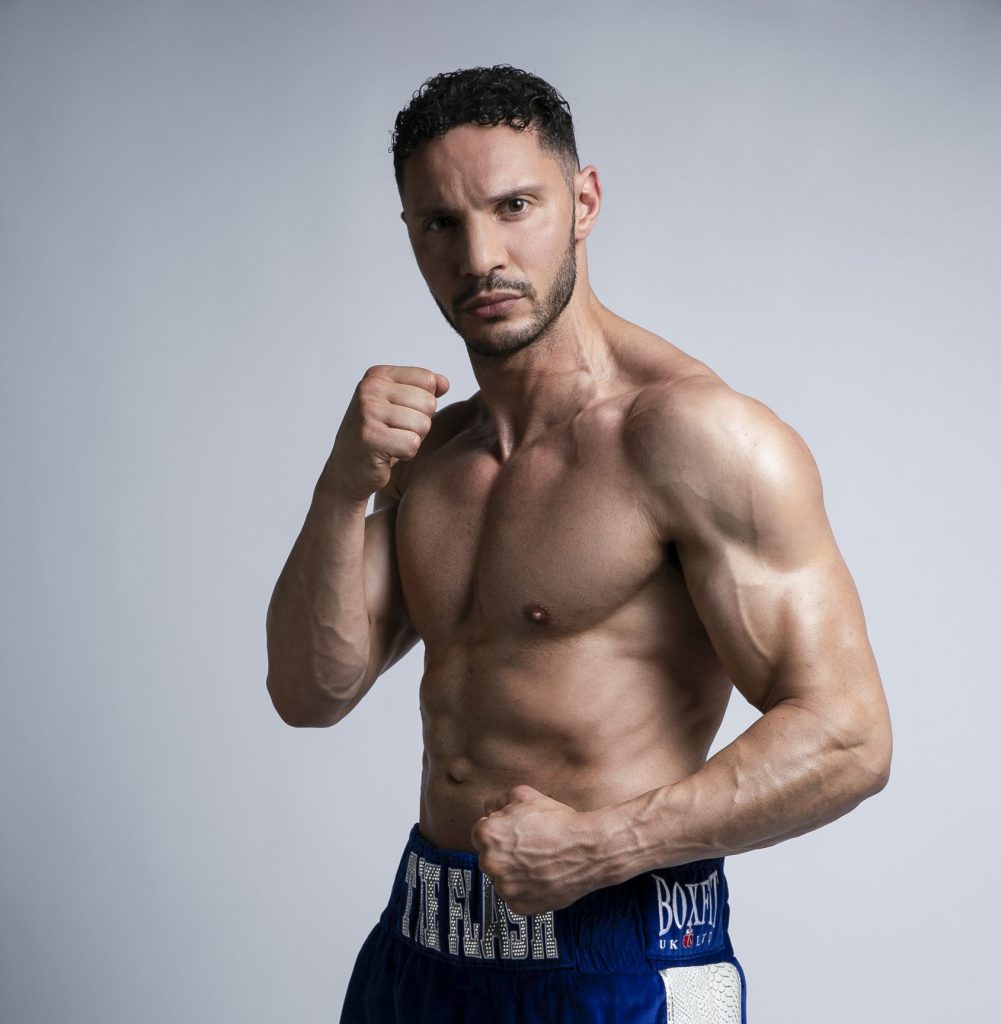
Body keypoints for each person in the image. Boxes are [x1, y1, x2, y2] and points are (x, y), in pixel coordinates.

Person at [265, 65, 892, 1023]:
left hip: (625, 961)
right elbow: (311, 693)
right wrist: (340, 488)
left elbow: (849, 737)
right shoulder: (432, 454)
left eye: (514, 206)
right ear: (411, 236)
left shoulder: (691, 437)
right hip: (418, 948)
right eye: (440, 223)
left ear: (583, 201)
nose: (480, 256)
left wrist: (605, 845)